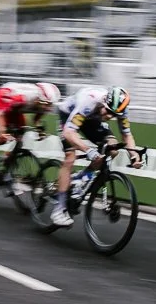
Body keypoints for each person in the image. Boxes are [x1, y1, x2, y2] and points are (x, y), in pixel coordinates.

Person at [54, 85, 142, 228]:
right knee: (70, 157)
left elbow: (126, 135)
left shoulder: (121, 109)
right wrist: (87, 150)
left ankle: (81, 178)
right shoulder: (89, 101)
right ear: (104, 101)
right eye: (108, 111)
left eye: (114, 115)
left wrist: (134, 154)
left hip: (93, 118)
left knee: (112, 150)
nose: (109, 116)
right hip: (69, 115)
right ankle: (59, 210)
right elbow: (69, 133)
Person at [0, 81, 59, 175]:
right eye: (46, 104)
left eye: (50, 104)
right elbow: (1, 113)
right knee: (4, 137)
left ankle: (7, 162)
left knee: (20, 137)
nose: (48, 108)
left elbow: (36, 119)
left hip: (17, 108)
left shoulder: (43, 103)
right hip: (3, 99)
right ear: (38, 99)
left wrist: (39, 131)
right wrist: (2, 131)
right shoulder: (24, 97)